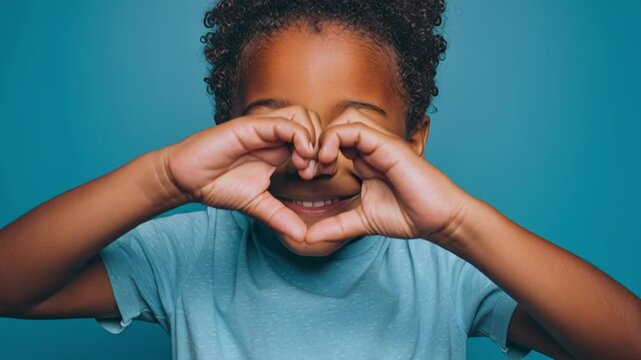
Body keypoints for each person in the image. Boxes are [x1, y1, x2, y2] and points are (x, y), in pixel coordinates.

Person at [1, 0, 640, 359]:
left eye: (358, 131)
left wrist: (458, 223)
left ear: (415, 142)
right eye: (273, 126)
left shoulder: (448, 265)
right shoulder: (191, 254)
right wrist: (165, 178)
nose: (315, 157)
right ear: (224, 132)